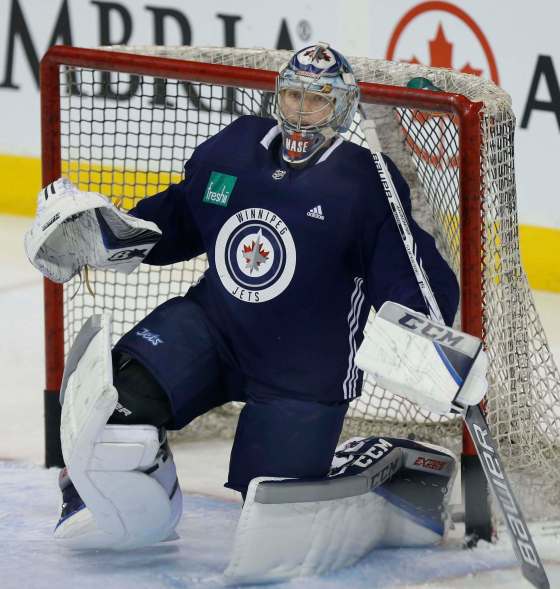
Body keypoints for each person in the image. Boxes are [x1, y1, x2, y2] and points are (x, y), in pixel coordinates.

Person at [27, 43, 459, 551]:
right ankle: (119, 505)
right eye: (294, 96)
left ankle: (393, 466)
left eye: (317, 100)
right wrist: (110, 235)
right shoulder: (236, 147)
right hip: (213, 329)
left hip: (302, 370)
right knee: (118, 404)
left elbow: (407, 274)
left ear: (341, 108)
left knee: (275, 513)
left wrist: (431, 331)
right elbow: (178, 220)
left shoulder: (364, 181)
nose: (302, 111)